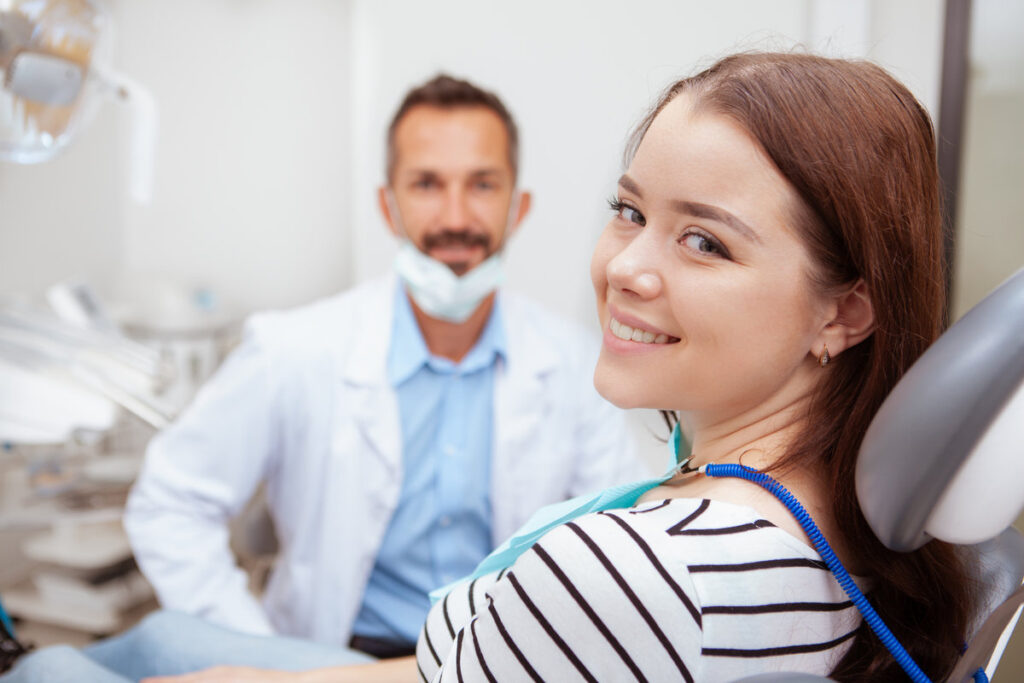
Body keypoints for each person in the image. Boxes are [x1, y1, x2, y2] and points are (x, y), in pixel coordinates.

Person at [2, 52, 976, 683]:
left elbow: (576, 607)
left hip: (497, 644)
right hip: (458, 647)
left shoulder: (636, 556)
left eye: (705, 242)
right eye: (632, 212)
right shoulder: (828, 510)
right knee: (157, 644)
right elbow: (175, 504)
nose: (629, 267)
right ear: (388, 207)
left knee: (53, 675)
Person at [120, 73, 640, 655]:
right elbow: (170, 503)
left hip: (497, 662)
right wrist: (258, 656)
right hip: (328, 660)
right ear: (387, 207)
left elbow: (612, 551)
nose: (455, 216)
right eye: (425, 184)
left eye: (483, 184)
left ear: (517, 207)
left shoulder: (577, 367)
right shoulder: (293, 350)